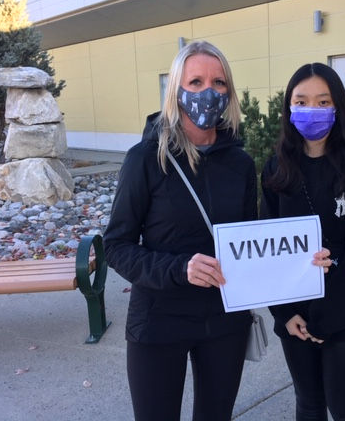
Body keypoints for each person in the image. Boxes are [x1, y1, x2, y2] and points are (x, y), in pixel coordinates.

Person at [103, 40, 257, 421]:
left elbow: (251, 242)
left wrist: (302, 263)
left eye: (219, 83)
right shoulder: (145, 158)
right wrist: (179, 269)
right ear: (176, 90)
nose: (209, 92)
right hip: (159, 319)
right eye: (196, 82)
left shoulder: (240, 164)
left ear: (229, 92)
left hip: (224, 322)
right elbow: (116, 246)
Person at [260, 62, 345, 421]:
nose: (311, 110)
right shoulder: (276, 168)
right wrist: (284, 313)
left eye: (322, 101)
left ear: (337, 107)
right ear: (288, 107)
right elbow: (267, 246)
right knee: (309, 402)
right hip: (296, 312)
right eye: (301, 101)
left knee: (344, 408)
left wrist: (327, 318)